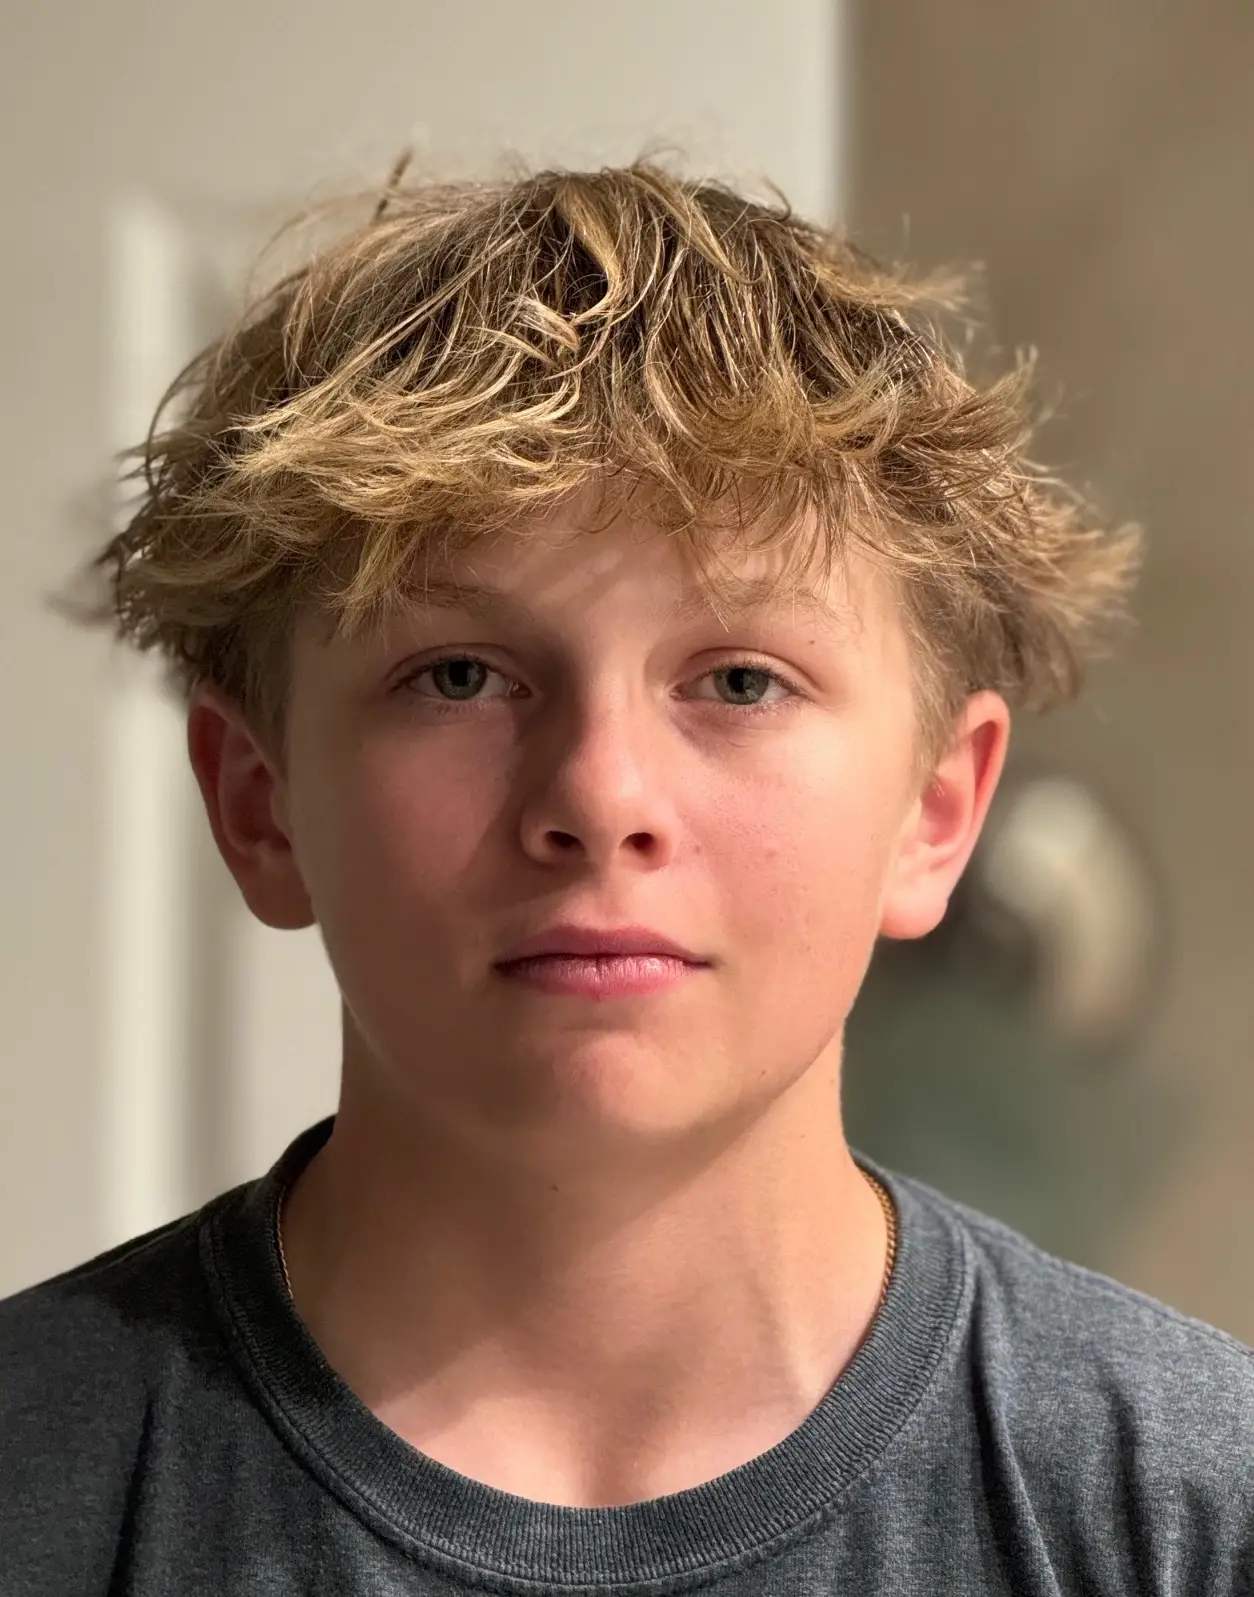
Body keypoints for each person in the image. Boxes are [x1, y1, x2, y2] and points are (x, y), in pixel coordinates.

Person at [2, 160, 1250, 1595]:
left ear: (935, 810)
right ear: (257, 802)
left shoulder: (1194, 1515)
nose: (600, 800)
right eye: (459, 676)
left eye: (739, 679)